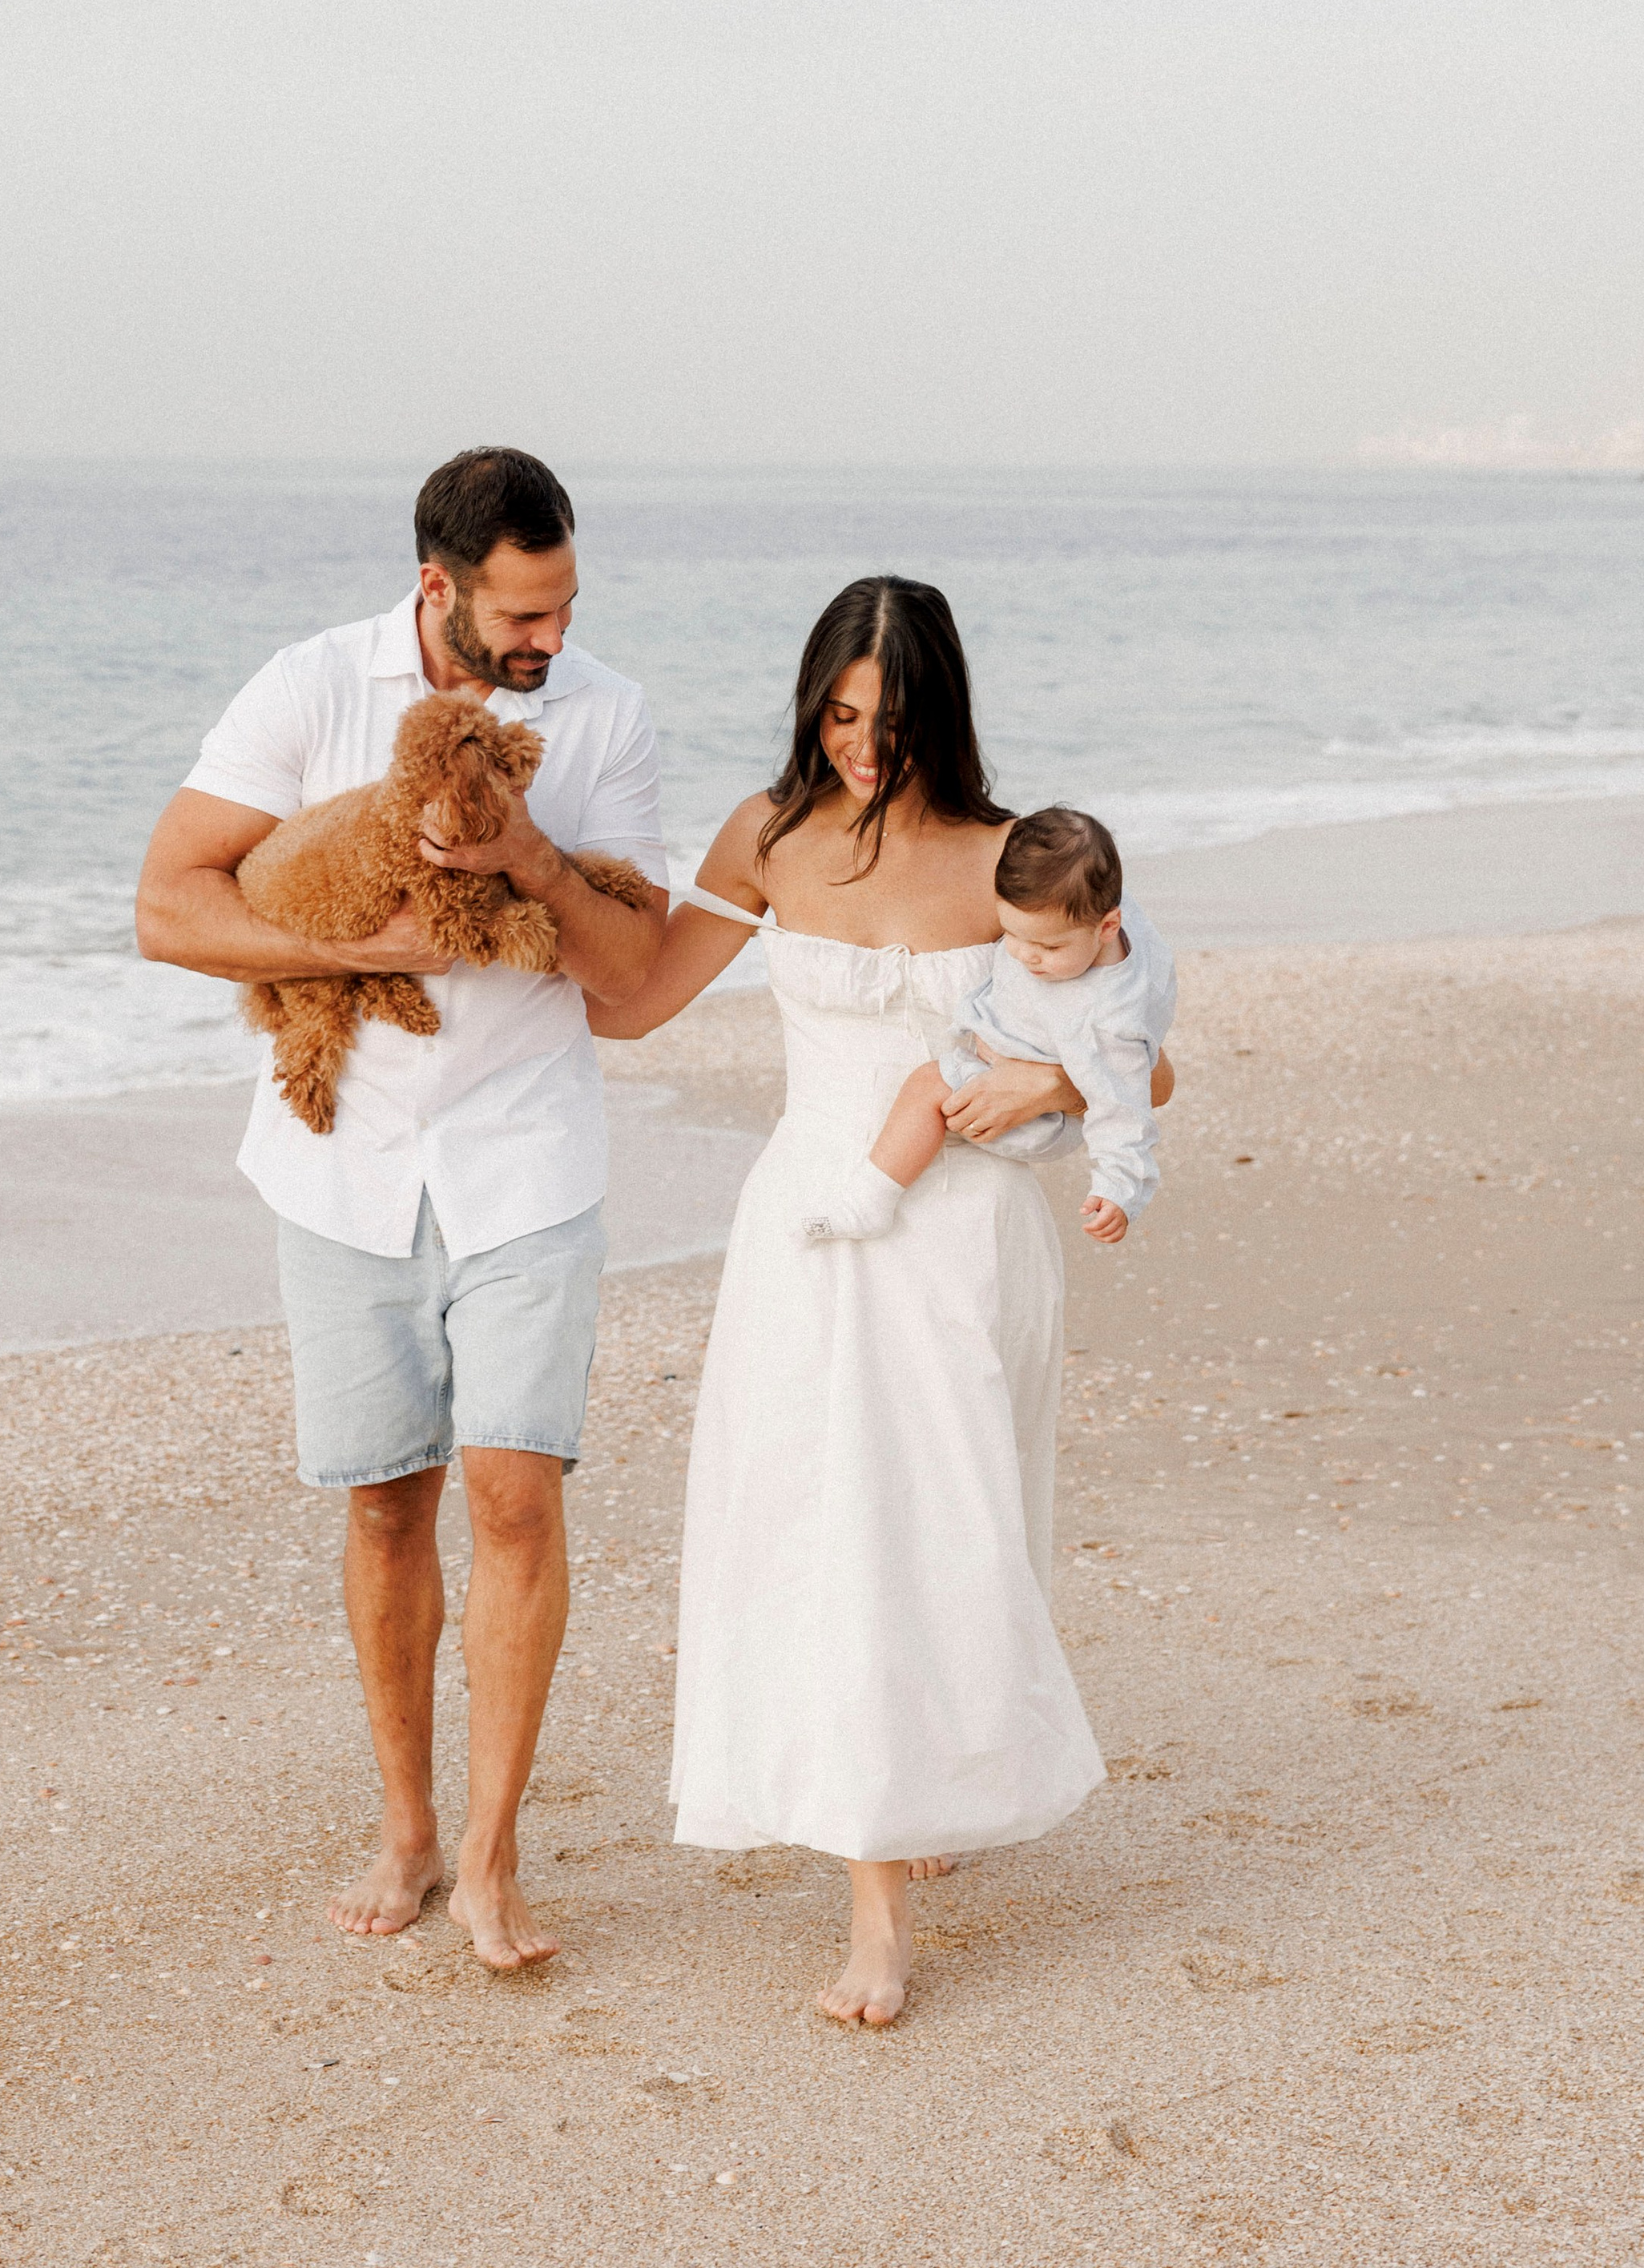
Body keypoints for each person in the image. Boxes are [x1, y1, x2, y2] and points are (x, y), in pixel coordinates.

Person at [589, 578, 1173, 2026]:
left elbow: (1146, 1061)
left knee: (955, 1533)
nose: (861, 744)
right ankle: (874, 1900)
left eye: (891, 718)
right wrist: (522, 873)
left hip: (969, 1234)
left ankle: (933, 1786)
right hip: (813, 1220)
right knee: (834, 1532)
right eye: (841, 714)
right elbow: (634, 1001)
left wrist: (1043, 1080)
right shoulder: (766, 837)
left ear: (940, 714)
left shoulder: (1011, 857)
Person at [136, 450, 667, 1968]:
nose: (551, 640)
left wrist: (525, 858)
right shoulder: (310, 687)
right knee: (385, 1504)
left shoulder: (607, 715)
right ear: (439, 588)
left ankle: (492, 1855)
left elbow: (630, 983)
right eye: (523, 615)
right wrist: (362, 949)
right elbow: (169, 905)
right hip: (343, 1164)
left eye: (566, 606)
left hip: (527, 1156)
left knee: (516, 1495)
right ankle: (409, 1829)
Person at [800, 804, 1177, 1250]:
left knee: (927, 1085)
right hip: (1026, 1044)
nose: (1025, 955)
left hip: (1039, 1121)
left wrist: (1119, 1190)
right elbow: (1076, 865)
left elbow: (1123, 1107)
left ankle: (870, 1201)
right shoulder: (1088, 907)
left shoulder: (1109, 1020)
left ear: (1109, 926)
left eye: (1049, 946)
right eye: (1011, 933)